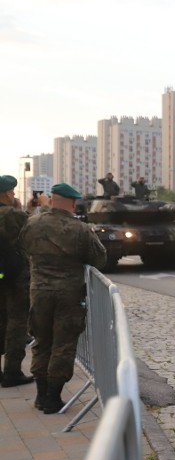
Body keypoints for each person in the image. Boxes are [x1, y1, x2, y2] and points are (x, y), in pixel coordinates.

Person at [19, 183, 107, 413]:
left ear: (52, 200)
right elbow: (99, 258)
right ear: (72, 202)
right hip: (68, 294)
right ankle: (53, 397)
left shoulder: (33, 223)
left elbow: (23, 248)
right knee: (64, 345)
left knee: (42, 342)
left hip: (38, 292)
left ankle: (40, 395)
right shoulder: (79, 228)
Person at [0, 175, 34, 388]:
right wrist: (28, 210)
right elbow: (32, 230)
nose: (14, 195)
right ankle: (12, 371)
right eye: (12, 192)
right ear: (5, 193)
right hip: (15, 275)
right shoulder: (11, 214)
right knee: (17, 321)